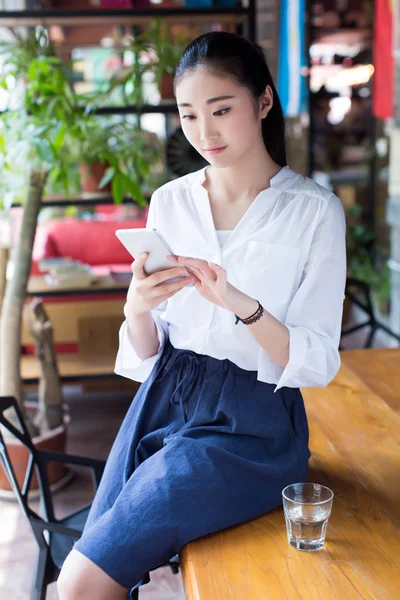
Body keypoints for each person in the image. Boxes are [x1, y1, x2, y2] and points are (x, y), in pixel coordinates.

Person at [57, 31, 346, 600]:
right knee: (88, 571)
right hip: (165, 393)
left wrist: (241, 305)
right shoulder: (171, 201)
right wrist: (136, 305)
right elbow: (147, 351)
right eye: (189, 114)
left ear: (263, 102)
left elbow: (317, 362)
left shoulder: (315, 212)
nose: (204, 132)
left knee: (81, 584)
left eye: (221, 110)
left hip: (251, 422)